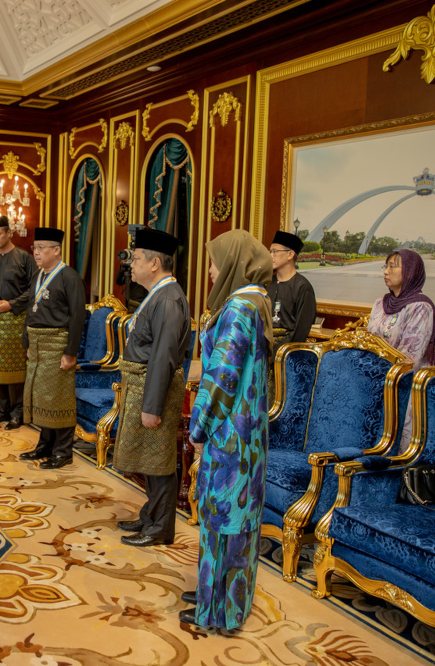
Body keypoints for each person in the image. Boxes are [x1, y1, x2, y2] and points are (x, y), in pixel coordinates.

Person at [181, 229, 272, 630]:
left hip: (229, 434)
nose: (213, 271)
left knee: (221, 521)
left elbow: (222, 379)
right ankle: (223, 597)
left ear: (234, 262)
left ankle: (215, 610)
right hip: (250, 433)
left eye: (216, 262)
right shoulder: (258, 301)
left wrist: (197, 429)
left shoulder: (238, 309)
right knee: (240, 522)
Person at [113, 228, 191, 548]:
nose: (131, 264)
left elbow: (163, 356)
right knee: (147, 458)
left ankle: (161, 527)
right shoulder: (157, 293)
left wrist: (152, 405)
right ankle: (150, 515)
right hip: (142, 385)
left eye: (136, 258)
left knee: (158, 461)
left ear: (155, 263)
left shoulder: (169, 299)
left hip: (154, 389)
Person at [19, 227, 87, 469]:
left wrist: (70, 353)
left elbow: (78, 317)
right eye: (34, 248)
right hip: (36, 345)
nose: (36, 253)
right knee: (40, 397)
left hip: (58, 345)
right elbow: (30, 309)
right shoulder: (38, 275)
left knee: (59, 399)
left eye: (41, 248)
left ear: (56, 250)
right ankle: (44, 445)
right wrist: (27, 343)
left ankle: (63, 451)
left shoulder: (69, 277)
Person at [367, 249, 435, 444]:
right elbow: (369, 342)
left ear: (410, 271)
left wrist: (379, 372)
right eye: (385, 266)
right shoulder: (380, 303)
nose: (386, 272)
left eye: (393, 266)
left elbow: (410, 357)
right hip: (375, 378)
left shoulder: (421, 307)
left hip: (404, 383)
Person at [0, 215, 38, 430]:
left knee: (16, 368)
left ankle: (18, 413)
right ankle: (2, 410)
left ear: (8, 234)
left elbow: (33, 290)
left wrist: (11, 304)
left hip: (17, 319)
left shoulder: (24, 258)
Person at [267, 229, 316, 405]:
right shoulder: (268, 284)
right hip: (264, 352)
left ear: (290, 254)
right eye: (269, 251)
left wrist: (278, 353)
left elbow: (301, 331)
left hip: (286, 358)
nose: (270, 255)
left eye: (274, 251)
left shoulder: (302, 287)